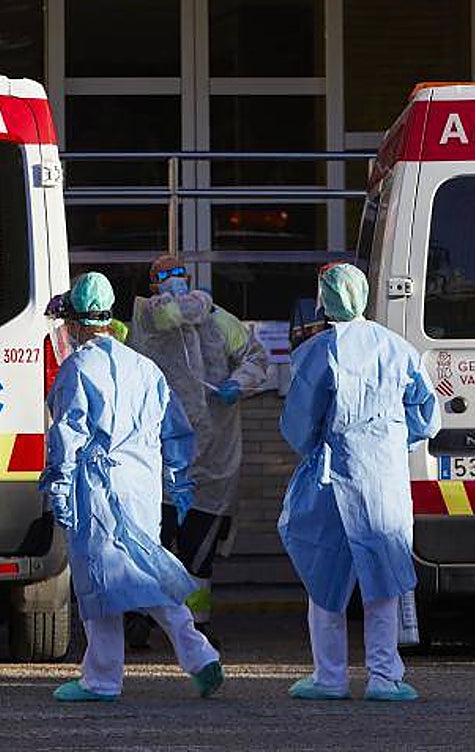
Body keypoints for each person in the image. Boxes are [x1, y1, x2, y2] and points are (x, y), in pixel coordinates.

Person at [40, 272, 224, 702]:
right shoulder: (144, 366)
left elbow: (68, 434)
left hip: (98, 486)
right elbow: (175, 429)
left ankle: (101, 679)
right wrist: (178, 482)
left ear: (74, 323)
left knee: (99, 580)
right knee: (147, 572)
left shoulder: (78, 368)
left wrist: (61, 489)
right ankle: (199, 656)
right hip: (141, 485)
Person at [278, 262, 440, 702]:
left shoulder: (317, 352)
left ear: (324, 299)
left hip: (332, 476)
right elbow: (426, 414)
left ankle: (329, 677)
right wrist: (393, 437)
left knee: (323, 577)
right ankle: (384, 677)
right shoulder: (398, 348)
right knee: (383, 578)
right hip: (382, 477)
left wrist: (319, 443)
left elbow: (298, 425)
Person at [125, 254, 268, 647]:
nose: (173, 282)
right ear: (153, 285)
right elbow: (169, 316)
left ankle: (196, 625)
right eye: (164, 277)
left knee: (198, 552)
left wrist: (239, 382)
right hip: (159, 459)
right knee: (151, 543)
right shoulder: (147, 318)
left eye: (178, 275)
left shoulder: (220, 322)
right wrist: (198, 302)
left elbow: (256, 357)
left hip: (212, 461)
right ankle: (137, 621)